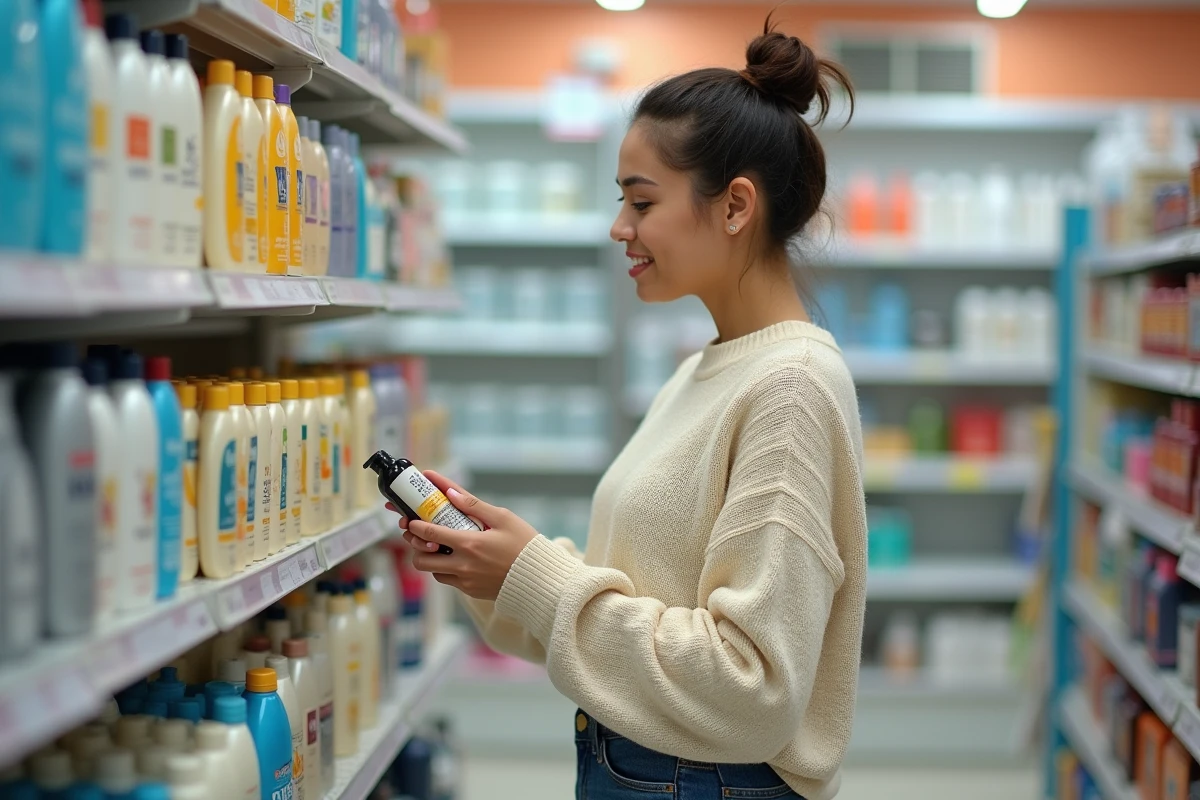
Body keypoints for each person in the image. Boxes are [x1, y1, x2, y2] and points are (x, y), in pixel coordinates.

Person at [388, 14, 867, 800]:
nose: (620, 228)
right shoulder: (705, 372)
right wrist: (498, 566)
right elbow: (645, 590)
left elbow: (754, 688)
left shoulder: (791, 388)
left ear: (736, 205)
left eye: (641, 203)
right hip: (651, 764)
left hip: (705, 779)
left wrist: (539, 577)